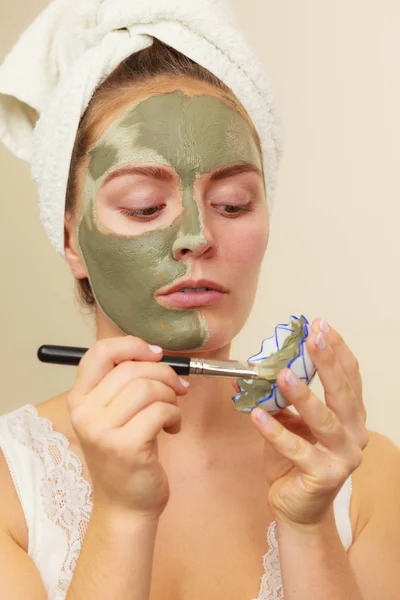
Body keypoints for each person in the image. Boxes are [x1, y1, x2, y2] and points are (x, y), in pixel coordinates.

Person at [0, 4, 399, 600]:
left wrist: (308, 525)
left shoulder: (363, 473)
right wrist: (123, 515)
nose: (197, 235)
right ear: (69, 241)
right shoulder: (10, 484)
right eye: (142, 206)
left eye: (234, 203)